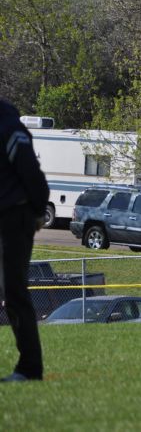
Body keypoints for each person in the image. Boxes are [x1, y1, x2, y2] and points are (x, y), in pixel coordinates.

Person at [0, 100, 49, 381]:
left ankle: (30, 368)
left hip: (12, 216)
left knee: (15, 292)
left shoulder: (7, 125)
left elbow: (30, 170)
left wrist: (37, 209)